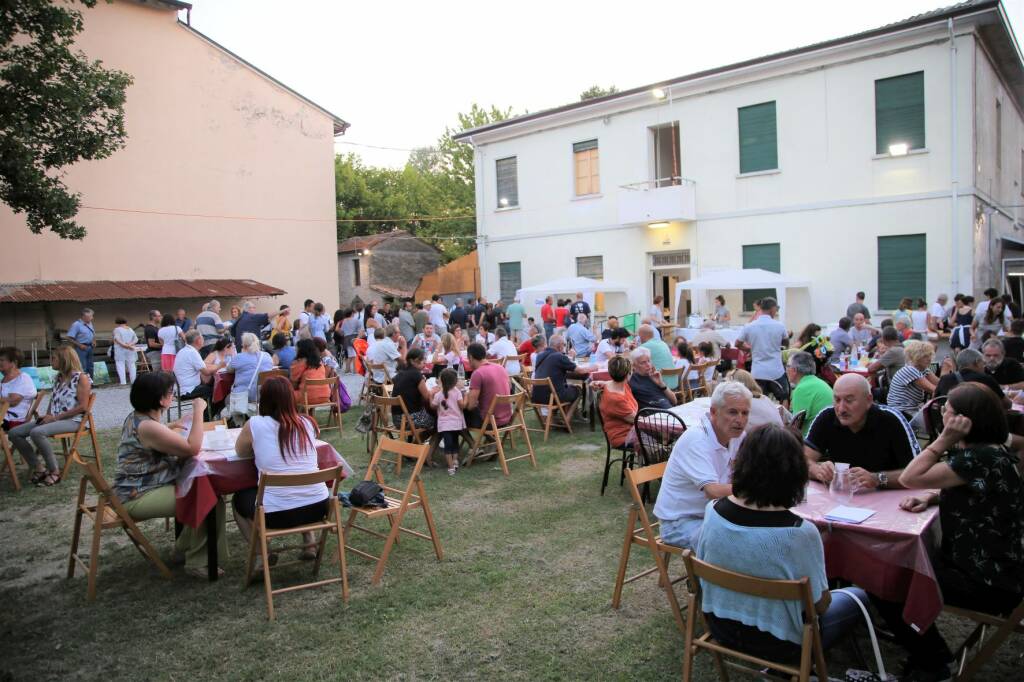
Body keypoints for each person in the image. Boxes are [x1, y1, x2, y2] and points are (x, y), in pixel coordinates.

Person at [874, 383, 1024, 682]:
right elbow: (982, 494)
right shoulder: (994, 453)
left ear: (966, 421)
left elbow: (909, 476)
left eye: (949, 412)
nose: (943, 414)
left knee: (884, 581)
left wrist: (943, 440)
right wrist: (933, 497)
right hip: (1003, 573)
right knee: (900, 567)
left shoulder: (977, 458)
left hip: (987, 583)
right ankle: (929, 653)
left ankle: (935, 662)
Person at [697, 424, 867, 664]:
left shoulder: (713, 511)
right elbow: (821, 606)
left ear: (742, 463)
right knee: (859, 596)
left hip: (722, 628)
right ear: (795, 472)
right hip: (783, 643)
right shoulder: (800, 534)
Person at [111, 371, 224, 578]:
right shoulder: (148, 426)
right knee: (208, 500)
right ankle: (197, 561)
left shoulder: (139, 417)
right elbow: (192, 448)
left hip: (141, 487)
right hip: (137, 495)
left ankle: (182, 548)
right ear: (161, 399)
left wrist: (172, 426)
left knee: (204, 491)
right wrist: (199, 411)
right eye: (170, 392)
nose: (172, 395)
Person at [231, 375, 329, 563]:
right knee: (300, 482)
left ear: (264, 400)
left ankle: (262, 555)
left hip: (276, 514)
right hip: (318, 507)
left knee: (239, 501)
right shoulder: (308, 423)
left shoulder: (255, 425)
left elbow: (240, 452)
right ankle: (309, 542)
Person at [654, 381, 752, 549]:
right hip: (680, 523)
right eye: (733, 412)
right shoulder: (697, 439)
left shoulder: (738, 436)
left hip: (714, 513)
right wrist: (756, 490)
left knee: (760, 532)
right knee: (738, 545)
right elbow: (712, 491)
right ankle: (712, 575)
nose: (740, 420)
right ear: (713, 412)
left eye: (745, 413)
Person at [804, 374, 919, 490]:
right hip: (841, 499)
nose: (841, 409)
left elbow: (917, 473)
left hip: (887, 500)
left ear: (869, 400)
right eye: (837, 400)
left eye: (849, 400)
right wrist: (817, 470)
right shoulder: (827, 417)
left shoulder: (891, 420)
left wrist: (877, 479)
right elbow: (801, 460)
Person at [9, 345, 91, 487]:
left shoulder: (81, 378)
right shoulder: (58, 378)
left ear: (64, 360)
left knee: (37, 432)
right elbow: (54, 400)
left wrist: (54, 418)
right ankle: (39, 468)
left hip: (74, 420)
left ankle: (54, 472)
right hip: (55, 419)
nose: (50, 361)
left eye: (53, 358)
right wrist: (46, 416)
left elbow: (83, 407)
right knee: (14, 433)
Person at [737, 297, 789, 401]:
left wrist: (750, 349)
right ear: (772, 309)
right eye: (776, 309)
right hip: (776, 371)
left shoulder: (749, 326)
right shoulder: (779, 325)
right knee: (785, 398)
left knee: (757, 401)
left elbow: (737, 344)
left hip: (757, 371)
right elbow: (786, 343)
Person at [885, 340, 938, 430]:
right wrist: (945, 371)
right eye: (925, 356)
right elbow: (935, 390)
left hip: (912, 409)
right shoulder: (910, 370)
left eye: (930, 355)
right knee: (939, 423)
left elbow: (941, 384)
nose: (929, 358)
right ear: (915, 357)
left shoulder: (923, 369)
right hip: (901, 413)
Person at [531, 334, 592, 410]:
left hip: (537, 396)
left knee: (564, 388)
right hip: (552, 397)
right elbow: (580, 370)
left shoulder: (539, 356)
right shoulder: (559, 356)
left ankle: (558, 415)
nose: (564, 347)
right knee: (578, 390)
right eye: (564, 345)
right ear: (560, 346)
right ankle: (568, 417)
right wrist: (594, 367)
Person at [464, 342, 511, 428]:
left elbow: (471, 405)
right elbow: (509, 387)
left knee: (457, 417)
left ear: (470, 357)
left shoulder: (477, 373)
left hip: (489, 421)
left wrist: (466, 394)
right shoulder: (500, 367)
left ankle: (452, 441)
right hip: (507, 417)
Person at [786, 351, 833, 437]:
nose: (786, 370)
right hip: (828, 435)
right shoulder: (817, 382)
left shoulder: (802, 388)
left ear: (794, 370)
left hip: (814, 441)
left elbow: (795, 427)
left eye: (787, 366)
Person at [430, 368, 466, 476]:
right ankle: (454, 461)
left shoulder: (438, 394)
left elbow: (433, 406)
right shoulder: (457, 392)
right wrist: (467, 397)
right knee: (455, 443)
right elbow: (462, 406)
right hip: (456, 423)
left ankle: (451, 467)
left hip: (444, 424)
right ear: (455, 381)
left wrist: (430, 396)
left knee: (448, 446)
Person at [596, 355, 637, 448]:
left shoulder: (620, 385)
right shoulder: (616, 399)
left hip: (633, 431)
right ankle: (654, 462)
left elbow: (609, 382)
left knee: (663, 438)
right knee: (658, 443)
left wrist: (599, 382)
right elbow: (636, 420)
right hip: (623, 437)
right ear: (628, 374)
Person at [391, 348, 436, 431]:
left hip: (396, 419)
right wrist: (434, 390)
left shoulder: (400, 374)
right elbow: (426, 397)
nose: (424, 362)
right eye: (421, 360)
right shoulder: (416, 374)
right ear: (412, 361)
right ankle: (423, 443)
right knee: (438, 421)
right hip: (409, 420)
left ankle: (416, 442)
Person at [934, 348, 1005, 400]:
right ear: (977, 362)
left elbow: (935, 400)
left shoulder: (945, 379)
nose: (984, 367)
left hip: (948, 419)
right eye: (983, 363)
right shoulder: (986, 379)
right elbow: (1007, 404)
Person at [226, 332, 273, 408]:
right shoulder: (267, 356)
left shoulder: (239, 357)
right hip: (264, 395)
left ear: (243, 345)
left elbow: (229, 370)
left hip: (243, 396)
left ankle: (237, 418)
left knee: (227, 399)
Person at [0, 347, 37, 431]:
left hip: (13, 420)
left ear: (14, 363)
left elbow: (13, 401)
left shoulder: (23, 378)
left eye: (2, 360)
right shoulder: (4, 380)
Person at [174, 330, 217, 402]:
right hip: (188, 391)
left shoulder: (183, 351)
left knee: (210, 385)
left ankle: (204, 411)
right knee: (216, 390)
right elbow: (206, 372)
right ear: (198, 340)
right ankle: (206, 413)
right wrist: (220, 365)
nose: (204, 340)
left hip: (181, 389)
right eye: (202, 338)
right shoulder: (192, 352)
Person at [290, 338, 330, 406]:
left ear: (301, 350)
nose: (295, 350)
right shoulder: (320, 363)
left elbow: (293, 384)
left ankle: (291, 416)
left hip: (307, 397)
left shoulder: (299, 363)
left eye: (296, 349)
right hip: (325, 396)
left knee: (283, 395)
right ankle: (307, 415)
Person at [637, 323, 677, 390]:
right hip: (674, 383)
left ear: (641, 336)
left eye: (639, 336)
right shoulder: (663, 343)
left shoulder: (644, 347)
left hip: (660, 384)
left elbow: (633, 362)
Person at [66, 307, 96, 378]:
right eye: (90, 316)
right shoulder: (76, 324)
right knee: (83, 366)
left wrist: (94, 340)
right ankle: (83, 383)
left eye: (92, 316)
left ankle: (90, 383)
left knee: (90, 366)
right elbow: (69, 338)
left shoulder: (90, 323)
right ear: (84, 316)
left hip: (90, 347)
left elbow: (93, 333)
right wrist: (79, 345)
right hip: (80, 348)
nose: (92, 318)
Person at [111, 316, 139, 384]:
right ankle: (133, 381)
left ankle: (123, 382)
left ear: (117, 322)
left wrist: (126, 346)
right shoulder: (130, 329)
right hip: (130, 349)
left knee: (120, 365)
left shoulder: (117, 329)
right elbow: (136, 339)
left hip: (120, 350)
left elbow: (118, 340)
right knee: (132, 365)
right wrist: (130, 345)